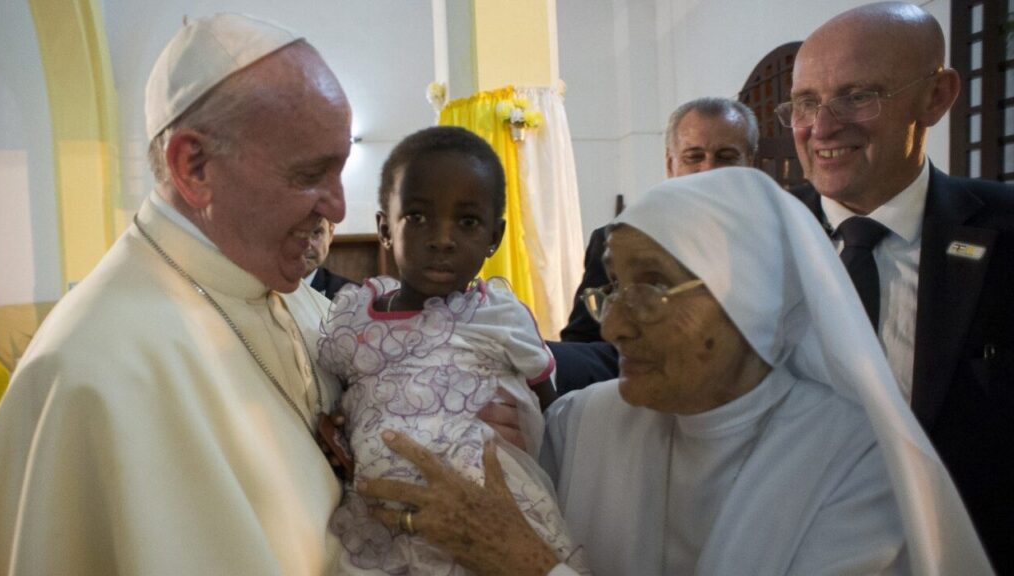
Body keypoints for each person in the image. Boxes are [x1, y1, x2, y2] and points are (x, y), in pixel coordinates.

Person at [358, 168, 993, 575]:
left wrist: (527, 566)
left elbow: (513, 550)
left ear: (754, 295)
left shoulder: (857, 466)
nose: (611, 327)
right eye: (611, 288)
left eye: (652, 287)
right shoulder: (586, 421)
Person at [0, 14, 352, 574]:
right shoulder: (90, 375)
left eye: (341, 170)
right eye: (311, 174)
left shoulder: (293, 296)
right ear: (194, 166)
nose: (338, 207)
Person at [782, 3, 1014, 570]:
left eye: (858, 96)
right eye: (806, 103)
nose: (823, 127)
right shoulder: (755, 244)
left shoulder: (1005, 234)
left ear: (936, 96)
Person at [318, 126, 586, 575]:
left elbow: (549, 405)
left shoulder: (499, 316)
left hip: (488, 511)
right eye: (419, 217)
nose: (442, 239)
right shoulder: (354, 319)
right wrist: (339, 426)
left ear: (494, 237)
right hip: (383, 516)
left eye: (466, 222)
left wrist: (527, 428)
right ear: (385, 228)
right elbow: (338, 399)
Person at [550, 97, 758, 395]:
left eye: (726, 156)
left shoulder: (776, 242)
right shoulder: (614, 242)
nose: (709, 170)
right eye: (694, 156)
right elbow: (585, 345)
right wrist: (541, 360)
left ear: (749, 161)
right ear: (670, 164)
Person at [305, 217, 356, 300]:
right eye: (292, 232)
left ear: (330, 234)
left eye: (316, 232)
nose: (306, 246)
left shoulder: (354, 299)